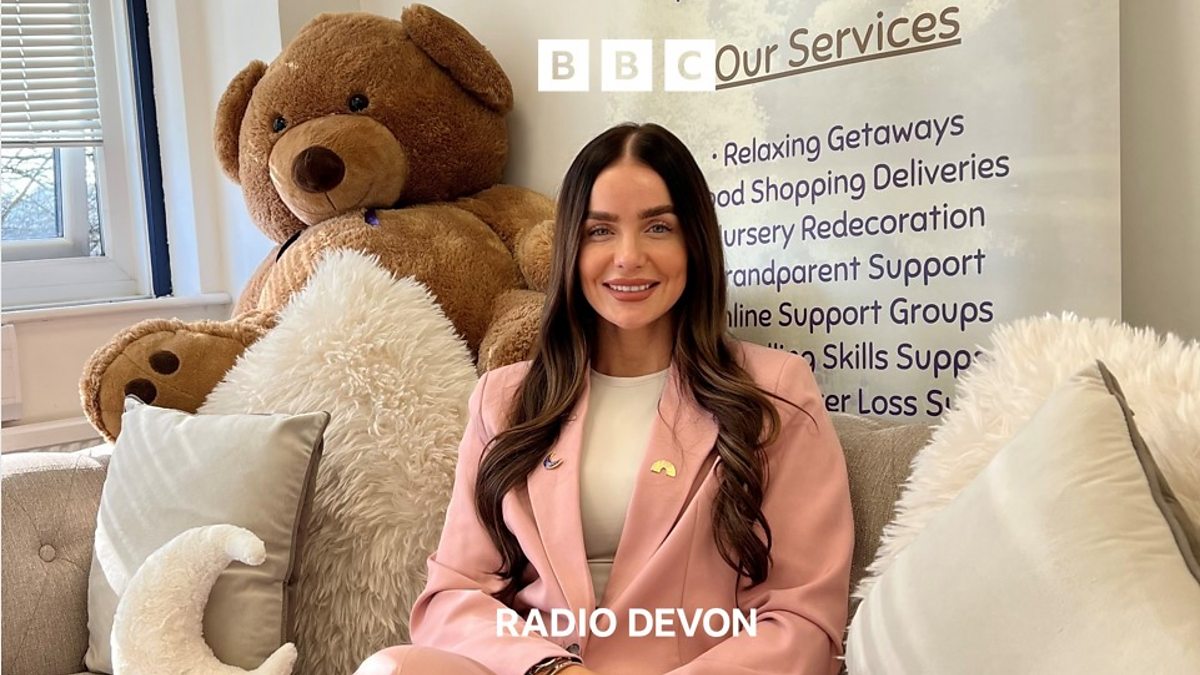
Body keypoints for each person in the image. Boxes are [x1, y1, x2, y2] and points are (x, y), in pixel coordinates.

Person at [355, 123, 853, 675]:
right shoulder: (505, 399)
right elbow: (455, 593)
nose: (628, 256)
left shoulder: (773, 391)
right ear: (572, 246)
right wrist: (550, 668)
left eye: (658, 227)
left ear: (694, 241)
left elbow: (802, 618)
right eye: (600, 231)